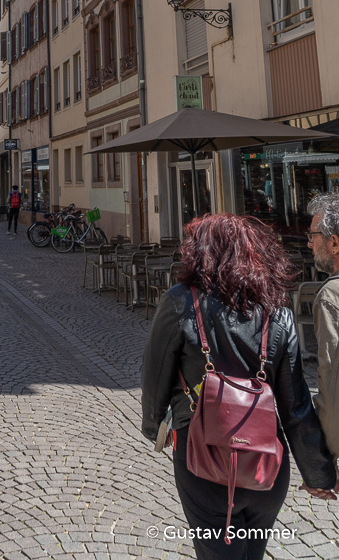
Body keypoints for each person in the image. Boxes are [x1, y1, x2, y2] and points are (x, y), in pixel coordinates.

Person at [142, 214, 336, 559]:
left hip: (200, 455)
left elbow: (155, 375)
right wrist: (318, 472)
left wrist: (153, 425)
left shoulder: (179, 301)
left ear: (200, 252)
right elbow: (295, 404)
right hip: (265, 462)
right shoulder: (277, 308)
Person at [307, 193, 339, 472]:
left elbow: (331, 379)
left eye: (313, 235)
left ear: (335, 243)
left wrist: (327, 455)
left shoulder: (330, 295)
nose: (309, 243)